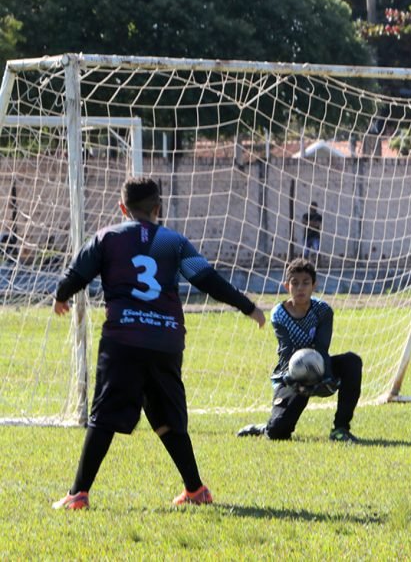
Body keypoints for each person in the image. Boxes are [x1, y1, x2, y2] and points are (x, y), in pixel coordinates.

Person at [51, 177, 266, 510]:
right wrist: (247, 306)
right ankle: (195, 490)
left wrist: (61, 296)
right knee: (166, 417)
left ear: (123, 208)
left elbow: (78, 273)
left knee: (105, 415)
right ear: (158, 209)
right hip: (166, 339)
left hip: (124, 338)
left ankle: (78, 494)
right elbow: (207, 278)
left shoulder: (107, 238)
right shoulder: (175, 242)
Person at [237, 258, 362, 443]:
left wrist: (326, 375)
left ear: (314, 285)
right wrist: (293, 378)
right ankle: (266, 427)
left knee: (352, 361)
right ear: (287, 286)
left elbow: (321, 346)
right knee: (278, 433)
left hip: (320, 364)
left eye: (305, 283)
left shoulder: (323, 310)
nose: (300, 288)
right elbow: (287, 351)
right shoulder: (279, 314)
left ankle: (340, 429)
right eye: (295, 283)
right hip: (290, 373)